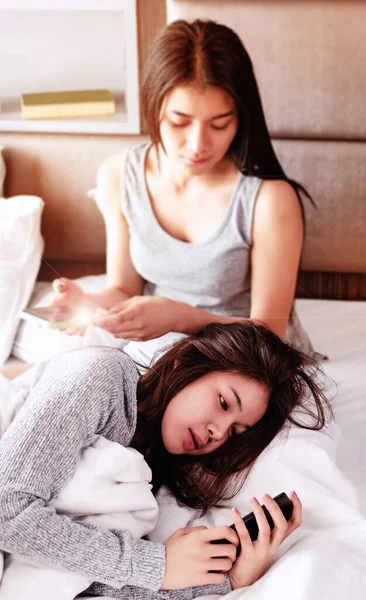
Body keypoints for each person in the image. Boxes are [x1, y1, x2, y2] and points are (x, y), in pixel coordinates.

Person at [50, 18, 322, 369]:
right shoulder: (119, 175)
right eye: (179, 122)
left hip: (246, 360)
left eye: (220, 124)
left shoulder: (268, 200)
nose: (198, 145)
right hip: (160, 348)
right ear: (153, 107)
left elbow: (269, 335)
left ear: (241, 118)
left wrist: (180, 317)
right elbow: (124, 290)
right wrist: (87, 300)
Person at [0, 321, 332, 599]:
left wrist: (228, 580)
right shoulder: (100, 375)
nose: (218, 431)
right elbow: (6, 508)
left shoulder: (149, 475)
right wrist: (154, 564)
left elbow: (85, 582)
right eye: (223, 402)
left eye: (235, 431)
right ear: (183, 364)